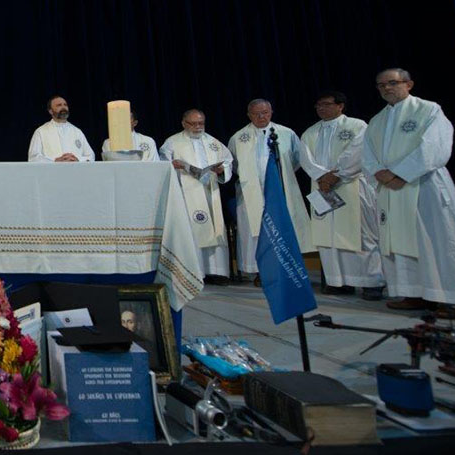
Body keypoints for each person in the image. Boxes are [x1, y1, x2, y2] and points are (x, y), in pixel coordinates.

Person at [362, 68, 455, 318]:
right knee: (399, 242)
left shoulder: (428, 110)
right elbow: (367, 154)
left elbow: (435, 147)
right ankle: (413, 293)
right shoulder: (377, 120)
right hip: (391, 191)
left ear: (409, 84)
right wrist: (379, 172)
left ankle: (449, 298)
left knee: (437, 241)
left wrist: (399, 173)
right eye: (381, 85)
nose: (386, 88)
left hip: (424, 186)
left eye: (392, 83)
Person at [301, 91, 384, 300]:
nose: (322, 108)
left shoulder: (357, 126)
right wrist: (322, 176)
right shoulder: (310, 132)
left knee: (362, 234)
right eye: (319, 105)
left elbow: (357, 153)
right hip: (323, 188)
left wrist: (336, 175)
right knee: (329, 235)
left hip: (352, 185)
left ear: (340, 106)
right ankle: (339, 281)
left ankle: (371, 282)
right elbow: (306, 159)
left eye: (326, 104)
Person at [229, 99, 317, 284]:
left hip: (280, 189)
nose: (261, 117)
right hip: (252, 192)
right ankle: (261, 271)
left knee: (282, 227)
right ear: (249, 115)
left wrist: (281, 176)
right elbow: (234, 165)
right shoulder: (238, 137)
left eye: (265, 113)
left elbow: (296, 159)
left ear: (271, 112)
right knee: (256, 230)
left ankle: (286, 268)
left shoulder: (286, 133)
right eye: (256, 114)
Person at [159, 109, 233, 284]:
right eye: (193, 123)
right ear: (184, 124)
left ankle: (217, 271)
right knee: (193, 230)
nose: (198, 127)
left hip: (210, 191)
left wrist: (222, 169)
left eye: (201, 123)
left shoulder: (213, 142)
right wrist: (172, 165)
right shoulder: (172, 142)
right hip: (186, 192)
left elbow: (228, 161)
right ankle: (194, 272)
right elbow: (162, 164)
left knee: (215, 229)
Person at [28, 95, 95, 162]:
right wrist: (55, 161)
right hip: (52, 168)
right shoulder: (41, 132)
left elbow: (90, 156)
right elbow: (33, 158)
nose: (63, 107)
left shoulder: (77, 131)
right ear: (50, 111)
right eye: (59, 105)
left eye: (65, 105)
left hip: (75, 168)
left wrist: (78, 160)